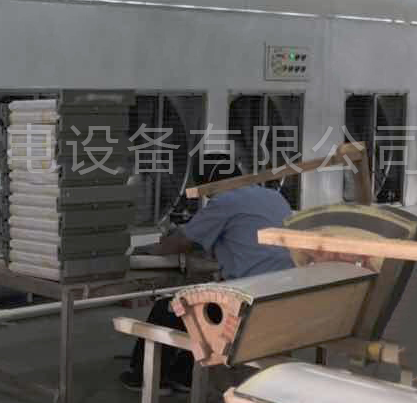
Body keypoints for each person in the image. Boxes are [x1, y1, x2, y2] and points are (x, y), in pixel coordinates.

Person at [122, 162, 295, 390]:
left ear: (210, 185)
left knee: (170, 308)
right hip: (285, 294)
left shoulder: (225, 201)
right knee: (200, 302)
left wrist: (146, 251)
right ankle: (182, 374)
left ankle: (144, 377)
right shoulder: (273, 197)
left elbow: (181, 243)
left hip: (248, 302)